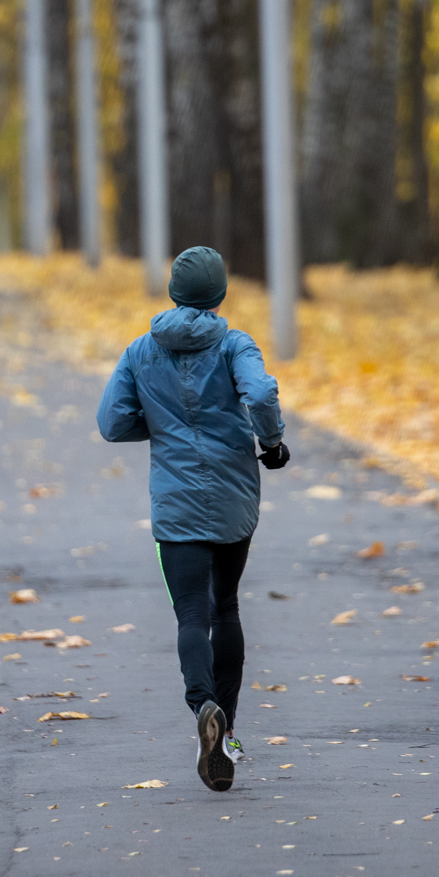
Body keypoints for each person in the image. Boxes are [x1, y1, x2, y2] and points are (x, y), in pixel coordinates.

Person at [97, 246, 289, 792]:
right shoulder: (235, 344)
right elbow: (261, 392)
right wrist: (270, 443)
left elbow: (112, 422)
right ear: (220, 292)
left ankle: (202, 705)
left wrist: (161, 426)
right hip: (233, 497)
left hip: (175, 504)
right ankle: (224, 733)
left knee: (190, 616)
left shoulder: (140, 350)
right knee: (225, 607)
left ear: (174, 292)